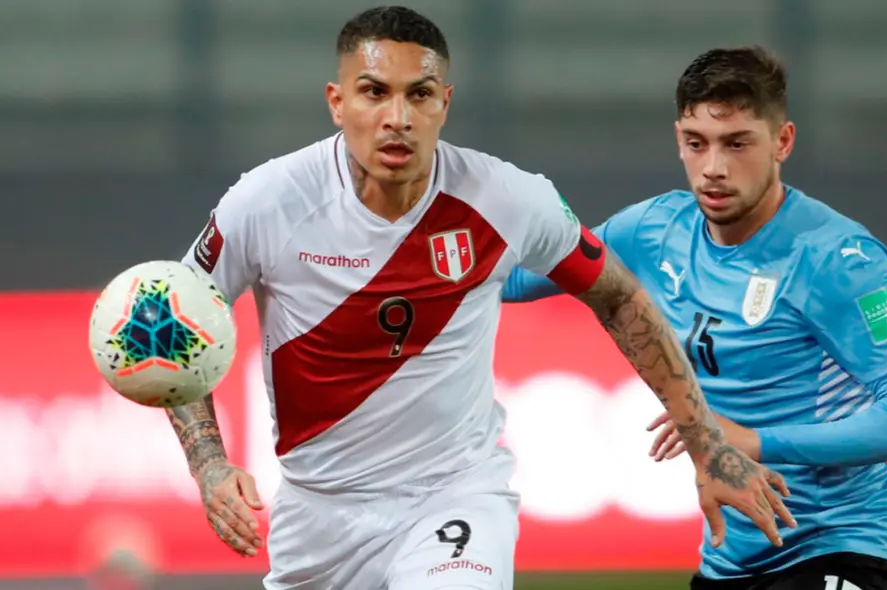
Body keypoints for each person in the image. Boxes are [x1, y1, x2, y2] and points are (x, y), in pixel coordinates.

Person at [166, 8, 794, 590]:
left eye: (419, 94)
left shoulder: (506, 199)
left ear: (445, 102)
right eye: (374, 92)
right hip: (318, 516)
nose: (398, 118)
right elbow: (175, 322)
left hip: (453, 497)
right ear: (337, 102)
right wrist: (211, 466)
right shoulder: (268, 202)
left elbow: (619, 297)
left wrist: (706, 443)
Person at [503, 46, 887, 590]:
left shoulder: (837, 259)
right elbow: (520, 279)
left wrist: (753, 441)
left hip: (841, 545)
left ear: (782, 142)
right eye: (697, 144)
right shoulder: (652, 230)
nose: (714, 167)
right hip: (732, 559)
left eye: (737, 143)